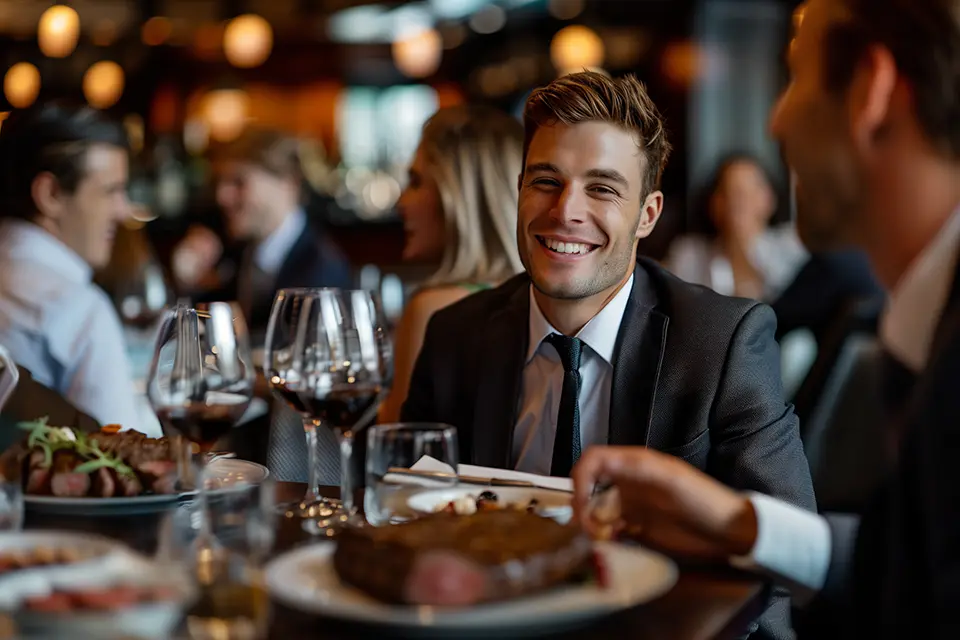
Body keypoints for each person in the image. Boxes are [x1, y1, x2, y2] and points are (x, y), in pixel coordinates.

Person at [572, 1, 960, 637]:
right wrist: (740, 525)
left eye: (795, 78)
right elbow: (908, 572)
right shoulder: (925, 323)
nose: (776, 122)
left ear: (871, 90)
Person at [402, 71, 814, 639]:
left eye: (602, 188)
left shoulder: (722, 342)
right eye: (546, 181)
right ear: (518, 190)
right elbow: (406, 517)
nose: (566, 211)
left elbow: (786, 562)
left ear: (647, 215)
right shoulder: (454, 336)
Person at [379, 105, 525, 423]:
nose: (401, 202)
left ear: (461, 197)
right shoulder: (534, 299)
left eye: (416, 182)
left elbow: (395, 448)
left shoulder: (433, 308)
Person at [0, 104, 142, 431]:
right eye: (111, 191)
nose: (123, 211)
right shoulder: (79, 310)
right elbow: (127, 459)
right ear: (50, 194)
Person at [175, 128, 352, 343]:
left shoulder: (322, 272)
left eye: (239, 182)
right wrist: (189, 283)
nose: (222, 196)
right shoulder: (233, 255)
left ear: (288, 184)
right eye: (219, 183)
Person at [665, 154, 807, 301]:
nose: (739, 200)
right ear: (714, 203)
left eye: (750, 191)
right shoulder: (689, 255)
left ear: (770, 199)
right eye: (730, 191)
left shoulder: (792, 248)